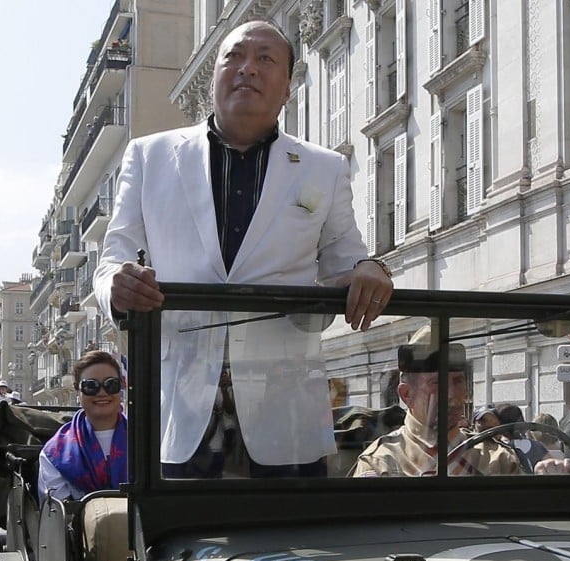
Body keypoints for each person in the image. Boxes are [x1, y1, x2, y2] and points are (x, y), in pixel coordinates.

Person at [94, 20, 393, 476]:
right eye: (232, 56)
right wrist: (116, 286)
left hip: (286, 417)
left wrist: (370, 267)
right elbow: (114, 257)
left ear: (287, 88)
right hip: (181, 416)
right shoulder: (149, 156)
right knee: (180, 545)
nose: (246, 69)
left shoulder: (324, 169)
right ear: (214, 74)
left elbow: (345, 258)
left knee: (293, 545)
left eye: (265, 59)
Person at [351, 331, 524, 477]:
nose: (451, 394)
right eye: (437, 383)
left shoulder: (497, 460)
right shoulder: (381, 463)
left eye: (458, 381)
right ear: (406, 394)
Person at [38, 351, 127, 502]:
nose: (102, 393)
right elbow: (60, 517)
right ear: (77, 391)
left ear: (121, 387)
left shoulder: (148, 442)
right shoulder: (55, 453)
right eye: (91, 386)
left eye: (111, 384)